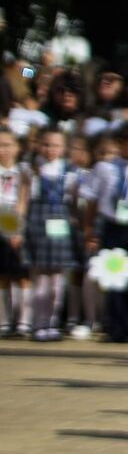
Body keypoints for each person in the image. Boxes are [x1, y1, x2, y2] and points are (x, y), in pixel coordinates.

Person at [79, 122, 128, 342]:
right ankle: (115, 327)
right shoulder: (104, 168)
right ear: (121, 144)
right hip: (112, 225)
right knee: (112, 277)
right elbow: (92, 200)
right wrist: (88, 227)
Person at [23, 128, 79, 340]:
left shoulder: (71, 172)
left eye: (56, 145)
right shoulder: (30, 171)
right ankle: (37, 324)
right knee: (39, 278)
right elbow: (22, 202)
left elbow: (73, 204)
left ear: (63, 148)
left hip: (61, 227)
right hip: (37, 225)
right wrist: (18, 229)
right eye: (46, 144)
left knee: (57, 279)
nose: (51, 150)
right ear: (38, 145)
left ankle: (52, 323)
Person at [0, 129, 27, 336]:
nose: (3, 150)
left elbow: (22, 201)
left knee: (20, 274)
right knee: (2, 276)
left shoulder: (23, 172)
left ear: (17, 147)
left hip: (15, 223)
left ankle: (23, 321)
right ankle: (4, 321)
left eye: (8, 145)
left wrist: (14, 228)